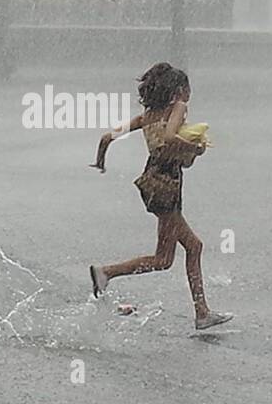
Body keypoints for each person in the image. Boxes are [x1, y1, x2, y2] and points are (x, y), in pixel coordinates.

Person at [89, 62, 231, 330]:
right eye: (188, 88)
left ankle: (202, 313)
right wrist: (195, 148)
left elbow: (107, 137)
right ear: (179, 90)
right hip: (166, 185)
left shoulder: (147, 116)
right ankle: (106, 272)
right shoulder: (178, 108)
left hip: (152, 184)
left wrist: (100, 162)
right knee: (176, 254)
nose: (190, 93)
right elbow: (169, 137)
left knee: (174, 255)